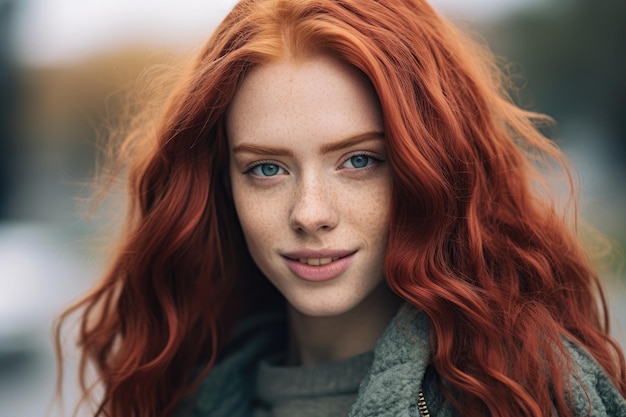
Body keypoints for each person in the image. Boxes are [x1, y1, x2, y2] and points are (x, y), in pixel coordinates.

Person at [56, 0, 626, 416]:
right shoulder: (176, 395)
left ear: (433, 167)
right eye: (266, 169)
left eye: (359, 161)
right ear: (219, 186)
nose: (310, 213)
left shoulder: (527, 392)